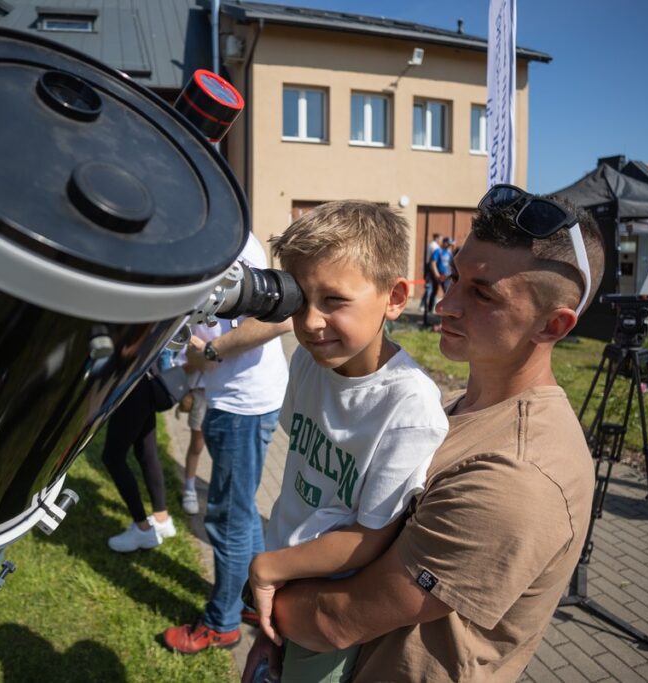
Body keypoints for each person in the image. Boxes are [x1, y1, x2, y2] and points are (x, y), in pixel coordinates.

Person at [247, 187, 604, 682]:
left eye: (482, 293)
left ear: (553, 325)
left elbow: (336, 619)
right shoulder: (464, 407)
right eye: (455, 278)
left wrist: (265, 594)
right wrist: (273, 632)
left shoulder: (519, 477)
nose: (447, 304)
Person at [243, 201, 449, 682]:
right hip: (281, 576)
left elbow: (367, 538)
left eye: (334, 300)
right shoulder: (308, 363)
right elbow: (300, 473)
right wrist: (273, 572)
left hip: (321, 604)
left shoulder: (408, 407)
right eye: (300, 301)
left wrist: (269, 567)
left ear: (394, 297)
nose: (311, 322)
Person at [163, 232, 291, 654]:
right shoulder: (216, 238)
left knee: (227, 518)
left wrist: (211, 351)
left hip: (242, 406)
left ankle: (223, 623)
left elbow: (280, 317)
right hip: (235, 400)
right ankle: (251, 600)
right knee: (241, 512)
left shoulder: (229, 243)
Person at [102, 371, 176, 552]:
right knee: (146, 451)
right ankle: (161, 519)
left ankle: (143, 529)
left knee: (113, 458)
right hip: (144, 381)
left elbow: (126, 354)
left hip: (133, 383)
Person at [177, 324, 216, 516]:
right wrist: (201, 357)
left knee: (223, 450)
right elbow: (183, 366)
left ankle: (218, 492)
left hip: (229, 395)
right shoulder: (196, 326)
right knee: (197, 444)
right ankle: (190, 487)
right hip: (202, 393)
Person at [420, 233, 441, 320]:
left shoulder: (431, 245)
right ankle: (423, 305)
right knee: (430, 288)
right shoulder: (435, 246)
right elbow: (433, 260)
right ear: (437, 238)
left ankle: (426, 305)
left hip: (429, 268)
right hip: (431, 269)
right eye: (440, 238)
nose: (440, 240)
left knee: (430, 288)